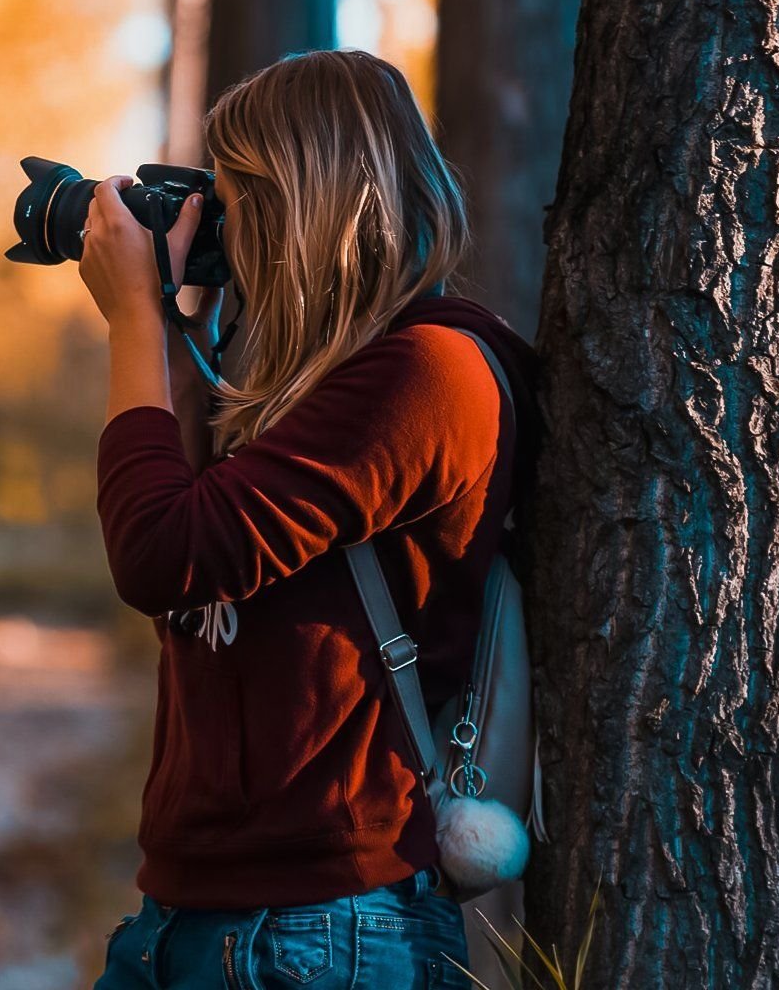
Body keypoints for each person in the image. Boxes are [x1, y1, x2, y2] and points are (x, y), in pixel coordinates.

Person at [80, 48, 543, 989]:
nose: (222, 219)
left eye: (236, 191)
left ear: (304, 200)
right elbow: (182, 507)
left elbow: (162, 554)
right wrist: (176, 321)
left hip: (321, 934)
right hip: (190, 920)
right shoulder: (304, 388)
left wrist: (134, 320)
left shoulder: (427, 375)